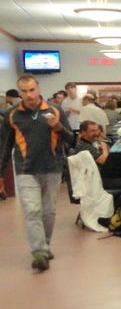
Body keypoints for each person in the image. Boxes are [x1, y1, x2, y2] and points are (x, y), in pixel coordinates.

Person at [0, 75, 75, 270]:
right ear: (19, 92)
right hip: (26, 170)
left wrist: (58, 127)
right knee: (32, 210)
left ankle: (45, 245)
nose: (29, 95)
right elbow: (5, 146)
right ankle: (39, 252)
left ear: (38, 89)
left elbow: (71, 139)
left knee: (48, 212)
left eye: (32, 90)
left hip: (53, 168)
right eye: (24, 91)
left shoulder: (55, 110)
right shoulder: (12, 114)